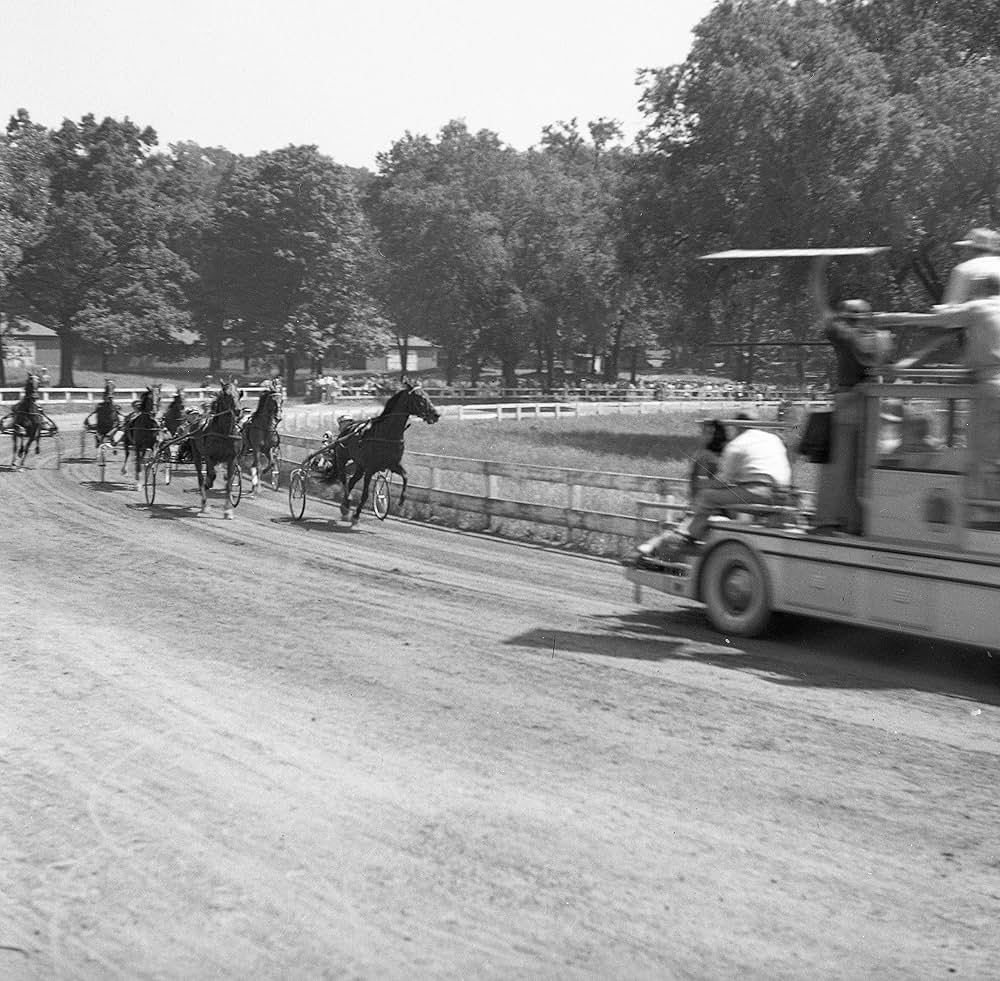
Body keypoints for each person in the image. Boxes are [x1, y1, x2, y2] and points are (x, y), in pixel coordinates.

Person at [871, 272, 1000, 496]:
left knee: (982, 457)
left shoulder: (980, 307)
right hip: (987, 382)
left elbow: (934, 320)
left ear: (981, 290)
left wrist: (889, 318)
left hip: (991, 386)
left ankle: (984, 517)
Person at [630, 413, 791, 566]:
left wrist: (704, 490)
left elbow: (718, 481)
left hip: (748, 496)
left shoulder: (728, 448)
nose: (703, 436)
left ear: (737, 427)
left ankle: (681, 538)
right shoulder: (771, 439)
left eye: (707, 432)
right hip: (782, 493)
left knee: (706, 499)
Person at [811, 299, 894, 534]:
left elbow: (821, 306)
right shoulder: (882, 338)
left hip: (848, 404)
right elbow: (889, 376)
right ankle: (858, 522)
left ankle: (829, 521)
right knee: (864, 468)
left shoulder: (845, 334)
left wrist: (818, 269)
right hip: (874, 406)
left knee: (838, 466)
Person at [941, 228, 1000, 306]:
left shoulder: (964, 269)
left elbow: (950, 308)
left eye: (965, 248)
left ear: (971, 248)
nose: (962, 251)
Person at [688, 420, 728, 500]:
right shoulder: (721, 455)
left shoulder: (705, 456)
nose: (701, 435)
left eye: (708, 433)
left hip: (705, 502)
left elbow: (701, 483)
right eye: (703, 432)